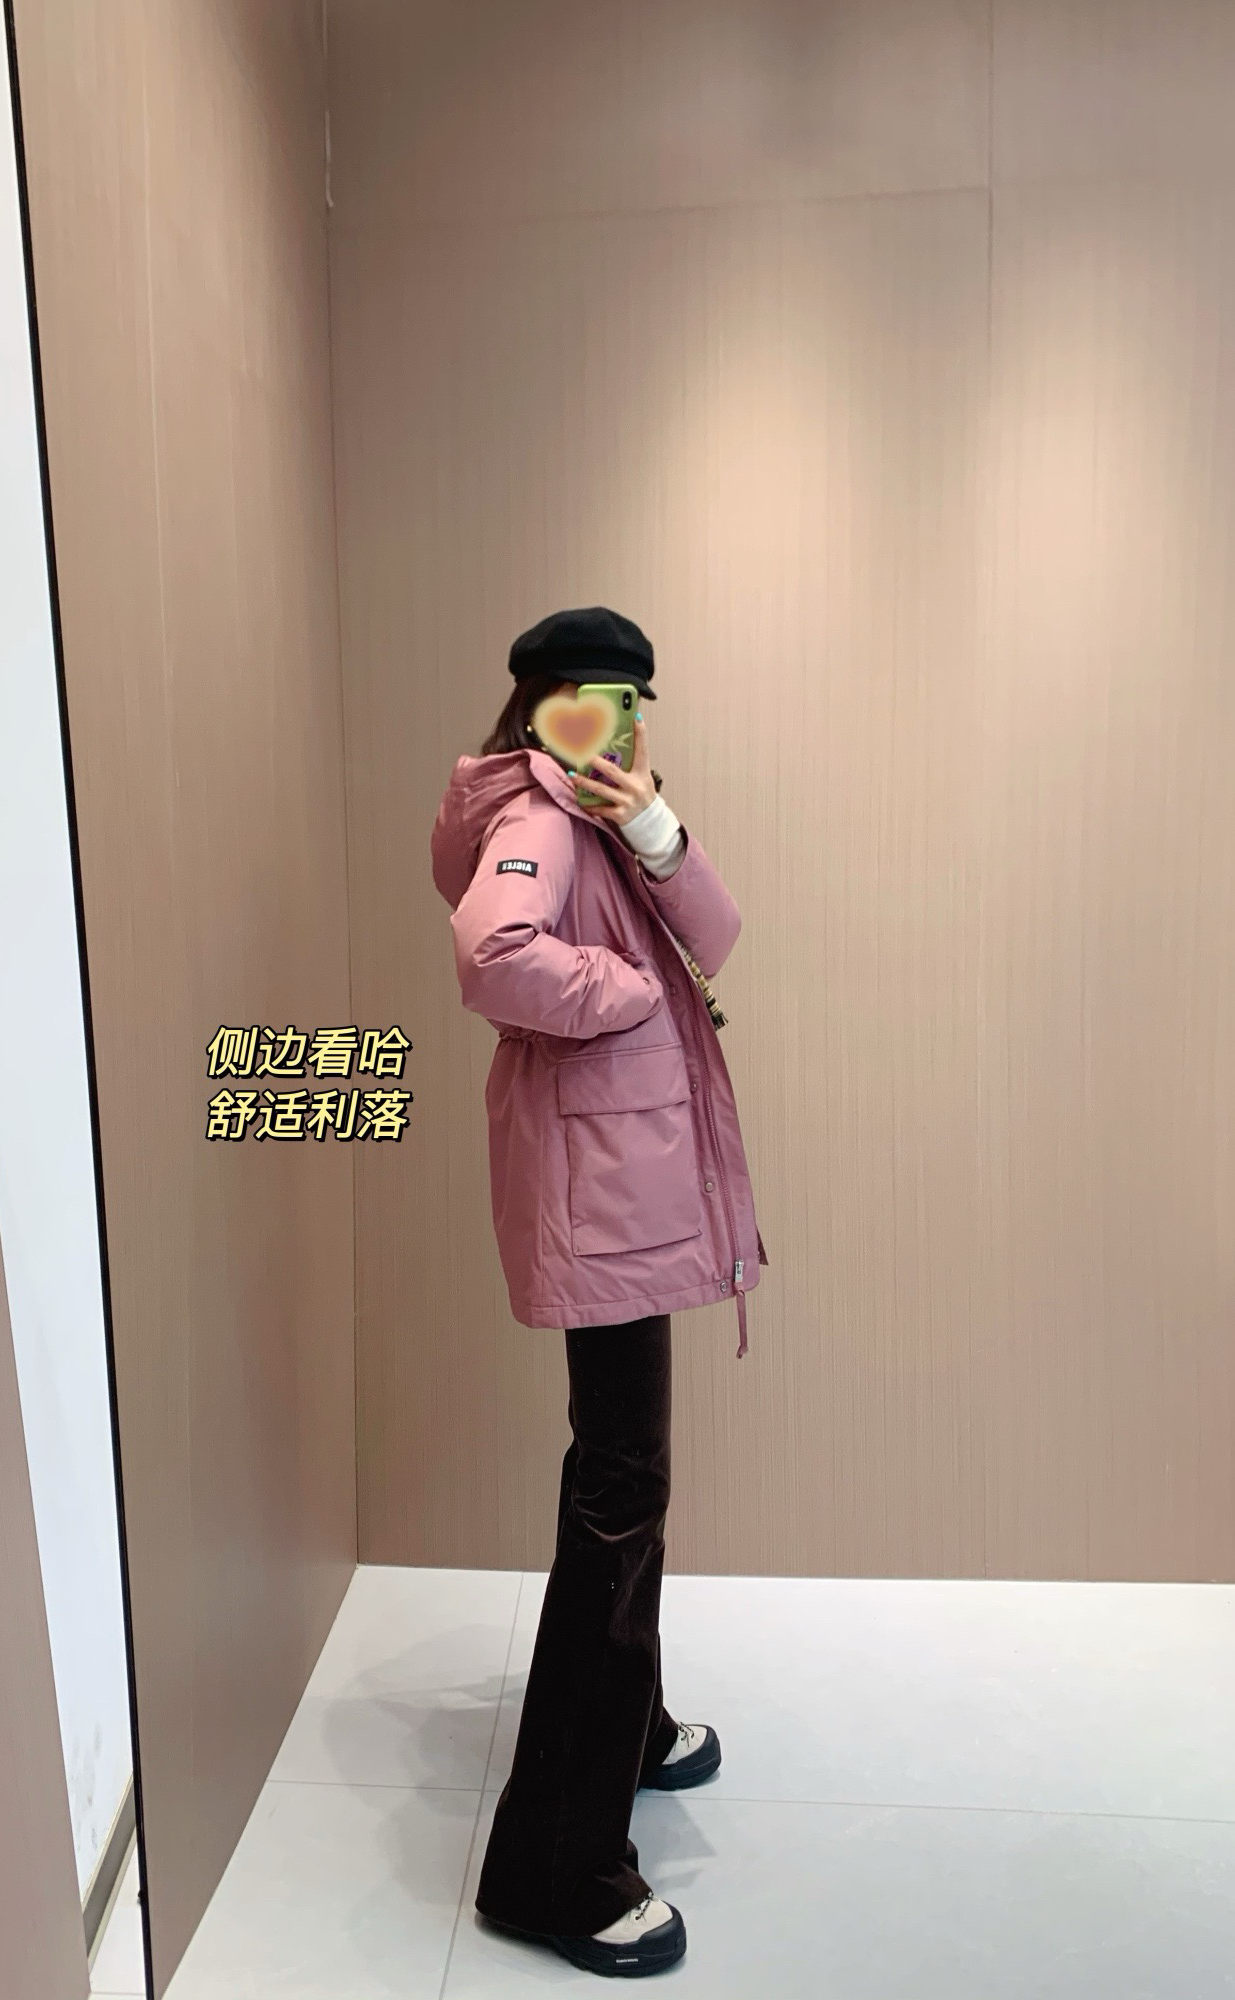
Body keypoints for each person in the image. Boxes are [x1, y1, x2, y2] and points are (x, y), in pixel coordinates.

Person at [429, 605, 765, 1978]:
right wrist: (626, 993)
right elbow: (494, 957)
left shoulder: (605, 810)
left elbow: (719, 938)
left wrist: (663, 833)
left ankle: (634, 1725)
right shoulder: (538, 814)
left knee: (625, 1476)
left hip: (624, 1195)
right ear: (535, 708)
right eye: (582, 704)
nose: (608, 727)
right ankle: (554, 1870)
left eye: (628, 706)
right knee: (619, 1492)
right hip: (603, 1202)